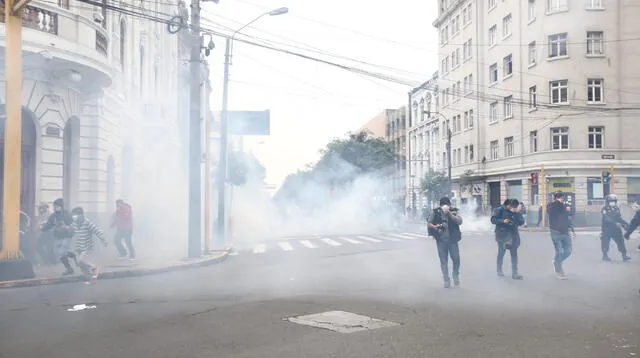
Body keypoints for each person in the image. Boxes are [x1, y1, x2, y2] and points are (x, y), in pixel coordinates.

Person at [427, 197, 463, 288]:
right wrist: (436, 227)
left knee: (456, 259)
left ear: (450, 205)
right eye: (443, 205)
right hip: (441, 240)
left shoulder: (454, 211)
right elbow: (429, 223)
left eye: (447, 205)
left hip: (453, 240)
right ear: (440, 205)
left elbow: (460, 221)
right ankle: (446, 280)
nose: (445, 207)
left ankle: (455, 276)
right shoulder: (435, 212)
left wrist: (450, 214)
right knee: (443, 261)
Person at [71, 207, 108, 284]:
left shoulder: (87, 222)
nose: (74, 216)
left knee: (80, 261)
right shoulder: (74, 223)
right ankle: (91, 279)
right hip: (79, 247)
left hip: (87, 247)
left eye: (75, 215)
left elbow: (97, 231)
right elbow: (72, 232)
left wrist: (104, 240)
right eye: (73, 215)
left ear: (80, 214)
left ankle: (94, 267)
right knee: (82, 266)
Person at [491, 199, 525, 280]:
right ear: (509, 205)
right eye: (512, 207)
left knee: (514, 254)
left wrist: (516, 213)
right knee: (501, 253)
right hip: (502, 235)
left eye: (515, 207)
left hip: (513, 235)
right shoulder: (500, 210)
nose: (513, 208)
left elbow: (521, 222)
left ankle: (515, 273)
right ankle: (499, 270)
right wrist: (503, 221)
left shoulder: (516, 212)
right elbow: (493, 220)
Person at [41, 198, 76, 275]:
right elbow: (49, 224)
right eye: (54, 206)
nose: (55, 208)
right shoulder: (53, 216)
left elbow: (73, 225)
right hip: (58, 236)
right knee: (58, 254)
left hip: (67, 236)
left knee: (61, 253)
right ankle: (71, 255)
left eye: (57, 206)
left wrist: (68, 228)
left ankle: (69, 268)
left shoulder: (67, 215)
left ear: (61, 206)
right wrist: (42, 228)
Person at [548, 192, 573, 280]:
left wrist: (571, 229)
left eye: (563, 198)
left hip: (565, 232)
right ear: (556, 198)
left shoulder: (564, 206)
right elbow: (554, 214)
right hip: (556, 232)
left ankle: (556, 262)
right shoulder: (552, 206)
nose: (562, 200)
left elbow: (569, 217)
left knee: (568, 251)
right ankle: (559, 271)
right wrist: (564, 208)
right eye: (561, 198)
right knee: (560, 252)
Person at [600, 194, 630, 262]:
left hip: (616, 229)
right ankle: (605, 256)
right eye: (611, 201)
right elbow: (606, 218)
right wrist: (615, 223)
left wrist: (625, 224)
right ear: (607, 202)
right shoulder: (604, 209)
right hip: (607, 229)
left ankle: (624, 255)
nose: (612, 202)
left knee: (621, 242)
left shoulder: (616, 208)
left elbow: (619, 218)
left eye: (614, 201)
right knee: (605, 243)